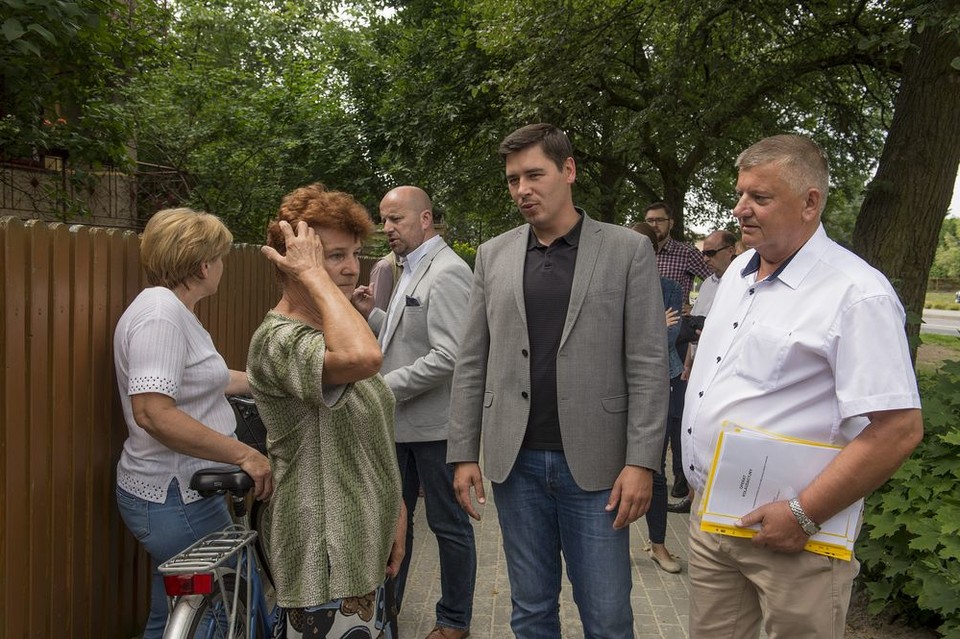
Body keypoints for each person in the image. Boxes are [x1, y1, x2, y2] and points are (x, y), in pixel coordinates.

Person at [682, 134, 923, 637]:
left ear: (810, 202)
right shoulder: (738, 273)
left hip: (798, 537)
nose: (740, 209)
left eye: (760, 197)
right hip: (713, 517)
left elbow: (898, 429)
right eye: (740, 194)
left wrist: (803, 514)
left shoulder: (857, 294)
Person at [447, 123, 669, 638]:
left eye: (534, 175)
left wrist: (642, 462)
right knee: (530, 612)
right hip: (516, 463)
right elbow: (471, 360)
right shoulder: (493, 255)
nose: (522, 189)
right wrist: (463, 452)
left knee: (608, 617)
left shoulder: (626, 250)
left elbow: (647, 363)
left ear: (568, 170)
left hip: (598, 467)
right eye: (512, 180)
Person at [246, 184, 406, 639]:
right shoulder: (279, 341)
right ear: (292, 263)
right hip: (326, 561)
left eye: (354, 254)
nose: (352, 267)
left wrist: (394, 507)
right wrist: (314, 275)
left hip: (363, 550)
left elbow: (367, 432)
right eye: (334, 256)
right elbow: (365, 359)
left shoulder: (328, 332)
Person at [113, 208, 273, 639]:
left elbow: (206, 379)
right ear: (203, 266)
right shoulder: (160, 317)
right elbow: (153, 412)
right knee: (228, 608)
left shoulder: (174, 311)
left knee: (170, 615)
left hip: (179, 492)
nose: (222, 266)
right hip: (175, 495)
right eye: (219, 258)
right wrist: (245, 454)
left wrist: (271, 383)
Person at [354, 185, 477, 639]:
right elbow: (409, 339)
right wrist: (372, 314)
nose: (386, 228)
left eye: (396, 219)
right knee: (393, 521)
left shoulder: (448, 271)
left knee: (448, 525)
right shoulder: (407, 266)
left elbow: (450, 355)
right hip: (401, 428)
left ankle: (454, 621)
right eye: (383, 219)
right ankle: (388, 613)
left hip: (435, 429)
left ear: (425, 219)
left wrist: (383, 388)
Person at [668, 228, 739, 513]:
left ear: (730, 251)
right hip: (699, 361)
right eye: (703, 253)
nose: (705, 259)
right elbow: (698, 325)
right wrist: (688, 364)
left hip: (723, 367)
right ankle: (693, 494)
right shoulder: (709, 282)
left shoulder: (739, 282)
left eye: (710, 253)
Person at [631, 221, 685, 574]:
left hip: (661, 381)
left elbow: (667, 340)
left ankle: (659, 545)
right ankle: (611, 544)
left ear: (653, 252)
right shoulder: (610, 285)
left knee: (654, 467)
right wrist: (655, 324)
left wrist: (648, 330)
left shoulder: (669, 289)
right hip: (619, 387)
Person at [643, 202, 713, 308]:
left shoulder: (688, 253)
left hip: (674, 317)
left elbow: (715, 281)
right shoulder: (639, 253)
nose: (654, 225)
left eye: (659, 220)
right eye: (650, 220)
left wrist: (697, 308)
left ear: (670, 223)